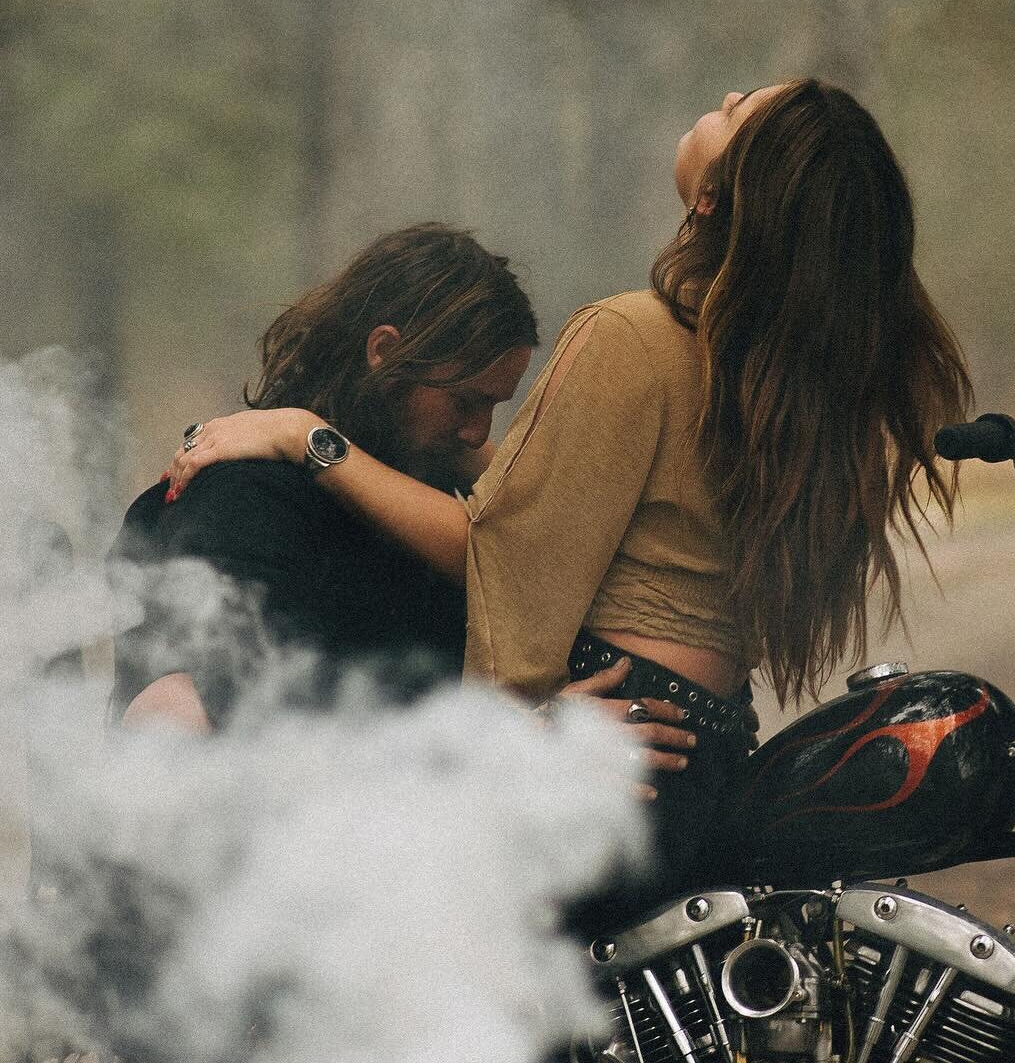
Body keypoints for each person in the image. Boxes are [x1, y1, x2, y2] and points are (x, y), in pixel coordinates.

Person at [166, 80, 974, 902]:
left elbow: (499, 553)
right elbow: (578, 501)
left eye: (735, 114)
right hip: (708, 751)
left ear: (709, 199)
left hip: (612, 746)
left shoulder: (631, 338)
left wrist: (307, 439)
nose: (724, 96)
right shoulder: (782, 376)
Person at [113, 223, 698, 783]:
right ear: (385, 351)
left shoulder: (427, 497)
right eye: (464, 402)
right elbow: (261, 720)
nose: (477, 431)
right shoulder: (244, 497)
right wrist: (519, 737)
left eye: (494, 407)